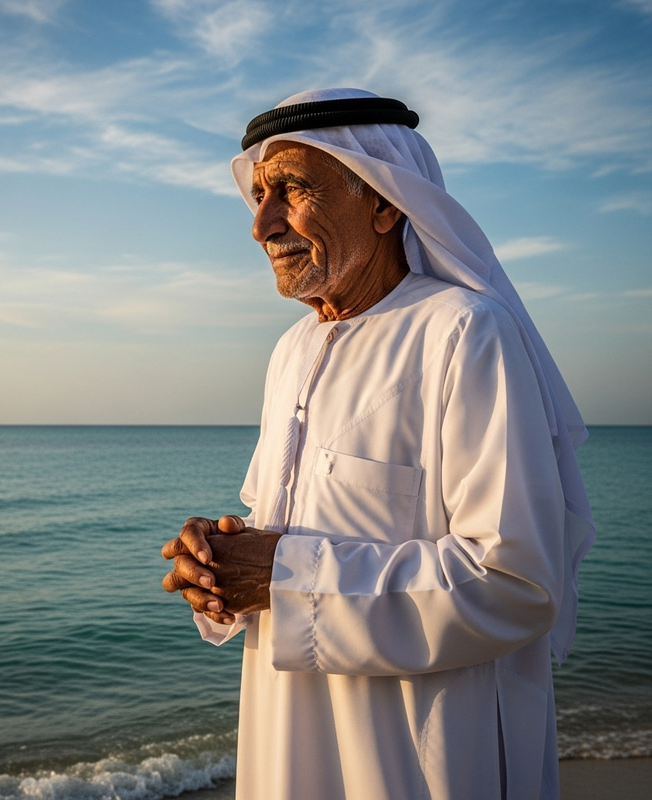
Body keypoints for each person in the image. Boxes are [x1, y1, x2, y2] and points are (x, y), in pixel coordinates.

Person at [161, 88, 594, 800]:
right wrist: (222, 565)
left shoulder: (465, 331)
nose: (261, 225)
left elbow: (516, 583)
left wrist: (282, 576)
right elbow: (285, 534)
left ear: (385, 203)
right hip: (286, 742)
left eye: (292, 190)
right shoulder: (291, 351)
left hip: (421, 760)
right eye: (259, 196)